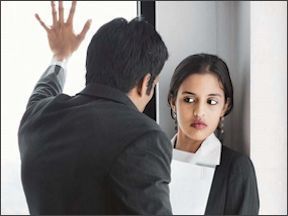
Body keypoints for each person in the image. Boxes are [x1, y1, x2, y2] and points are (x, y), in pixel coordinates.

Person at [18, 1, 172, 214]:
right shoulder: (144, 136)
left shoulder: (38, 118)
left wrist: (61, 55)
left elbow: (43, 90)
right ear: (146, 82)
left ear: (91, 65)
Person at [167, 53, 259, 215]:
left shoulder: (236, 169)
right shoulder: (151, 161)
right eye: (189, 100)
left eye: (211, 102)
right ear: (173, 102)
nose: (199, 112)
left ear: (225, 106)